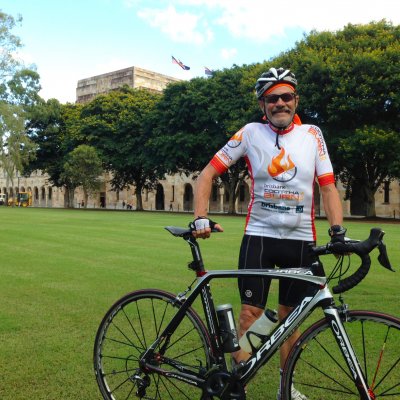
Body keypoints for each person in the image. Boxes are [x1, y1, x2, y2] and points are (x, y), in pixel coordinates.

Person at [191, 67, 345, 400]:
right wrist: (200, 217)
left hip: (301, 239)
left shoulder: (312, 135)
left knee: (291, 320)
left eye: (285, 96)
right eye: (271, 98)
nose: (279, 103)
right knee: (251, 315)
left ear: (295, 100)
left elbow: (328, 187)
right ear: (263, 105)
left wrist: (337, 231)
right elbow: (206, 175)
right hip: (259, 236)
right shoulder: (249, 133)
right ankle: (238, 386)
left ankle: (285, 387)